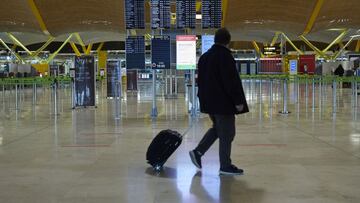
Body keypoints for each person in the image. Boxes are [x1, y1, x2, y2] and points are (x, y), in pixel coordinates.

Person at [189, 28, 249, 176]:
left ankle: (198, 152)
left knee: (218, 129)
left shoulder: (204, 57)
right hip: (223, 104)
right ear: (228, 41)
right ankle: (225, 166)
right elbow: (231, 82)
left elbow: (201, 81)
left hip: (209, 103)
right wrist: (238, 101)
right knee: (227, 133)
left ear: (215, 40)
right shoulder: (225, 57)